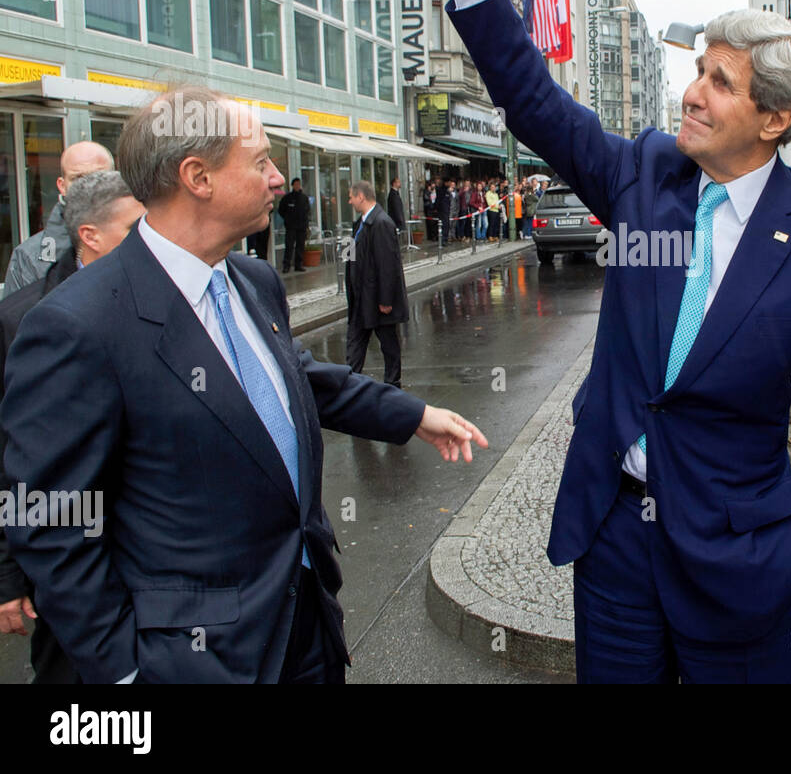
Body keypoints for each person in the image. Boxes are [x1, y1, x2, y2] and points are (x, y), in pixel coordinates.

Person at [436, 0, 791, 684]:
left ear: (778, 119)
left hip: (744, 570)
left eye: (722, 81)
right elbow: (531, 98)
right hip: (615, 551)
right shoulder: (644, 174)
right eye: (700, 69)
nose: (693, 91)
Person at [3, 88, 487, 684]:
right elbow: (51, 521)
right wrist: (128, 672)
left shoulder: (252, 278)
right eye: (260, 161)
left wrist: (412, 415)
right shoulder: (77, 326)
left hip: (306, 629)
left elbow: (297, 379)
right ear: (197, 177)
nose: (278, 177)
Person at [0, 170, 144, 684]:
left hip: (151, 559)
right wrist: (7, 576)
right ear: (91, 235)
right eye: (136, 228)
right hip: (66, 565)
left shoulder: (159, 295)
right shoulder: (22, 319)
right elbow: (7, 458)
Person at [3, 141, 114, 293]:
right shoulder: (28, 257)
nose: (90, 186)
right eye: (79, 178)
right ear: (62, 186)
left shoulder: (143, 237)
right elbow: (15, 315)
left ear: (117, 180)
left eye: (99, 176)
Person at [346, 180, 408, 388]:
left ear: (361, 197)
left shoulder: (382, 223)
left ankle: (393, 381)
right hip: (362, 295)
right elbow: (354, 256)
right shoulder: (360, 223)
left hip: (377, 298)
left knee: (388, 341)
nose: (350, 201)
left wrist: (386, 299)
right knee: (355, 340)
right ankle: (350, 381)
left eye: (351, 196)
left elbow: (387, 264)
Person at [278, 177, 310, 272]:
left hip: (301, 226)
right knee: (289, 246)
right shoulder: (287, 198)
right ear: (292, 186)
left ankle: (298, 265)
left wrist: (306, 224)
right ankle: (286, 265)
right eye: (295, 184)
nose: (297, 186)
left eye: (299, 184)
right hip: (291, 226)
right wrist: (287, 219)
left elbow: (307, 211)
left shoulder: (304, 198)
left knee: (300, 246)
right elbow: (281, 210)